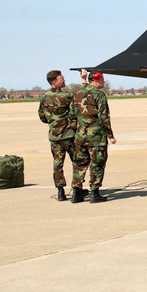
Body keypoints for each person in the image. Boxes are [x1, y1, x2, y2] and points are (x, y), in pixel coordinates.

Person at [38, 69, 86, 201]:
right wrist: (84, 79)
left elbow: (42, 117)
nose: (64, 80)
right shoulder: (65, 96)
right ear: (54, 83)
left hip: (55, 136)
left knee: (57, 164)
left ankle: (60, 192)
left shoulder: (44, 97)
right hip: (69, 135)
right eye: (61, 79)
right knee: (77, 162)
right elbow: (82, 97)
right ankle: (77, 190)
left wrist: (54, 122)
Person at [70, 71, 116, 203]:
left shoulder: (78, 94)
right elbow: (104, 117)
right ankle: (94, 193)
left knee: (79, 164)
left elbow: (72, 116)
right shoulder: (99, 95)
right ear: (96, 80)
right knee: (97, 163)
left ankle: (76, 193)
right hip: (96, 138)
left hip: (80, 137)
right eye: (102, 79)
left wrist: (76, 133)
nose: (104, 82)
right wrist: (110, 136)